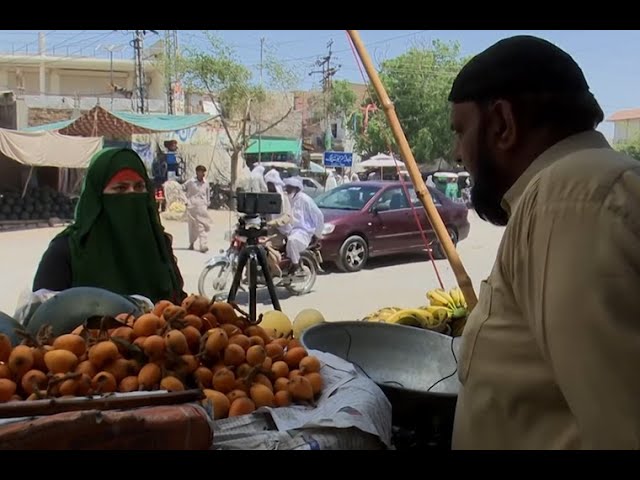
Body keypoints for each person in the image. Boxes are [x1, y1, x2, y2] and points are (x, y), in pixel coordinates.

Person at [448, 35, 640, 450]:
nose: (457, 153)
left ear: (502, 123)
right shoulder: (586, 187)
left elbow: (623, 428)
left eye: (460, 131)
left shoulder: (566, 198)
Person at [32, 148, 186, 305]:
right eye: (120, 188)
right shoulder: (68, 250)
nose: (131, 195)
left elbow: (178, 301)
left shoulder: (159, 243)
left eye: (139, 187)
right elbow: (42, 317)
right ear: (97, 197)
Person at [282, 177, 324, 275]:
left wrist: (317, 235)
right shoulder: (288, 199)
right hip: (289, 230)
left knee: (292, 241)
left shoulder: (305, 200)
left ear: (296, 188)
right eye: (287, 188)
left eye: (290, 188)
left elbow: (319, 216)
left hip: (303, 232)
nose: (287, 190)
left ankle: (296, 267)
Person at [263, 168, 292, 277]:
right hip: (269, 230)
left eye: (271, 185)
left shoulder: (283, 198)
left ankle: (275, 270)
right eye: (268, 184)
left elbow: (287, 217)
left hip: (281, 232)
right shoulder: (267, 197)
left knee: (264, 246)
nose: (270, 187)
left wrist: (275, 222)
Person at [183, 165, 211, 253]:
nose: (202, 174)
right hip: (192, 206)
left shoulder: (206, 183)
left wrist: (207, 203)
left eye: (203, 172)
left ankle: (203, 245)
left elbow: (207, 194)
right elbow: (182, 188)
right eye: (200, 172)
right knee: (192, 226)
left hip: (202, 207)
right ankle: (191, 243)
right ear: (197, 172)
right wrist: (185, 200)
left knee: (202, 226)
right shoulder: (191, 182)